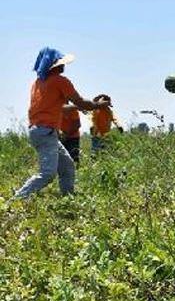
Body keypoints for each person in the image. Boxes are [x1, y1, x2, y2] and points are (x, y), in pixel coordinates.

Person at [14, 47, 111, 199]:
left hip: (39, 131)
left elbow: (61, 106)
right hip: (46, 132)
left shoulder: (39, 82)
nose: (64, 65)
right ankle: (17, 199)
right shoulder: (60, 81)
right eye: (60, 62)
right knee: (47, 174)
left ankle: (68, 198)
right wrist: (99, 105)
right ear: (54, 65)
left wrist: (80, 106)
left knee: (67, 166)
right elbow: (80, 102)